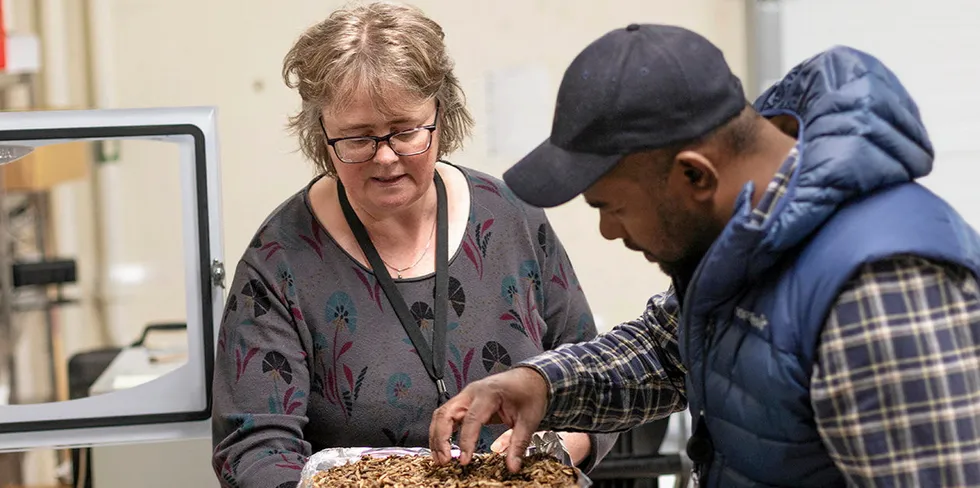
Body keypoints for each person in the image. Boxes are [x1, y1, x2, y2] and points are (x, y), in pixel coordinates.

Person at [430, 23, 980, 487]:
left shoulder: (880, 289)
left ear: (694, 174)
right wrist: (539, 384)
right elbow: (666, 353)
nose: (605, 230)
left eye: (611, 206)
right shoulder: (752, 231)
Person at [209, 3, 617, 487]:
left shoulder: (511, 218)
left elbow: (594, 376)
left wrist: (554, 446)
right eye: (357, 139)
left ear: (443, 115)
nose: (385, 158)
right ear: (321, 135)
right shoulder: (281, 259)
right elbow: (254, 448)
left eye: (405, 131)